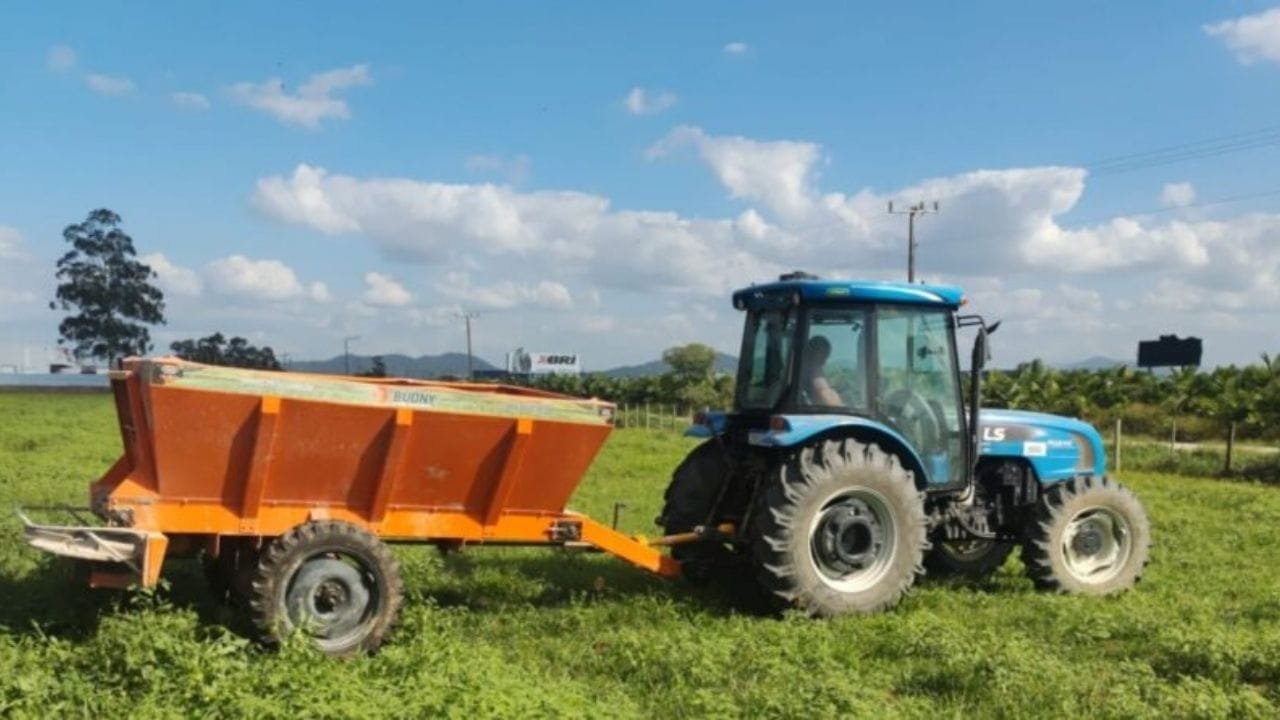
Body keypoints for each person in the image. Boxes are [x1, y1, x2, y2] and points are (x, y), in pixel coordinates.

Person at [800, 336, 843, 406]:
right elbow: (827, 398)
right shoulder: (812, 368)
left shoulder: (801, 371)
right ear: (813, 353)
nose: (824, 362)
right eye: (823, 356)